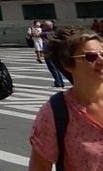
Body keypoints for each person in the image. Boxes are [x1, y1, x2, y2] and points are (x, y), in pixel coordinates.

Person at [28, 26, 103, 168]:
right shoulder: (56, 112)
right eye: (91, 57)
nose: (101, 61)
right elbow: (40, 167)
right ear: (67, 64)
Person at [42, 20, 66, 89]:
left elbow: (35, 34)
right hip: (55, 52)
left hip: (49, 53)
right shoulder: (54, 33)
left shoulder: (45, 33)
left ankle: (58, 82)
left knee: (52, 68)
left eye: (43, 25)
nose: (42, 26)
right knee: (56, 68)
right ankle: (60, 82)